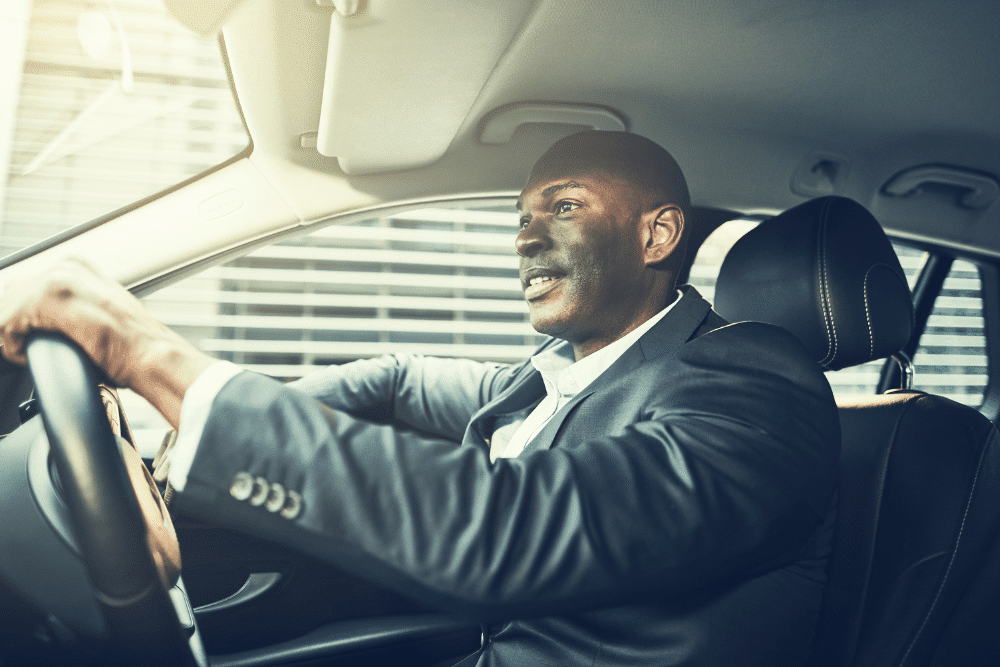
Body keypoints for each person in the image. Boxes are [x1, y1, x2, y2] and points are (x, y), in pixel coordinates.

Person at [0, 131, 840, 666]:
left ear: (657, 235)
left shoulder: (759, 384)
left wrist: (148, 354)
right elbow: (395, 379)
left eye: (566, 207)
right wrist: (176, 452)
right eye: (519, 217)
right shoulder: (550, 373)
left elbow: (512, 530)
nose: (524, 236)